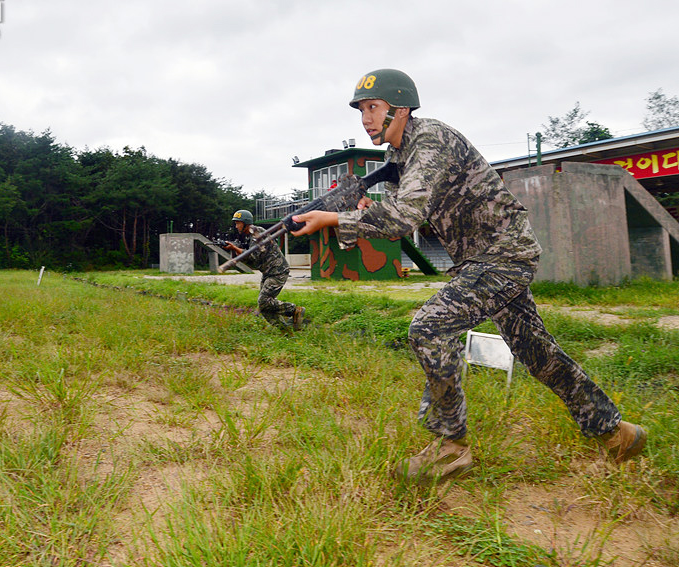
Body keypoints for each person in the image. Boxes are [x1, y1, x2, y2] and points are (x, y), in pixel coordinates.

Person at [291, 68, 646, 485]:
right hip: (486, 259)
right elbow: (403, 209)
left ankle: (451, 446)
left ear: (401, 109)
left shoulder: (430, 141)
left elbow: (405, 216)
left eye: (374, 108)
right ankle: (616, 433)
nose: (366, 119)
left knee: (429, 328)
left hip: (501, 256)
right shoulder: (400, 158)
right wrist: (359, 210)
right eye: (361, 110)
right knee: (538, 353)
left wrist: (333, 218)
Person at [222, 209, 306, 331]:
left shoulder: (257, 232)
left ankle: (295, 310)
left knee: (264, 301)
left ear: (245, 222)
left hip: (278, 270)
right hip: (268, 272)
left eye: (238, 223)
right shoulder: (250, 237)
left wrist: (235, 248)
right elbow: (252, 261)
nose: (236, 226)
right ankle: (285, 331)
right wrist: (235, 249)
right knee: (264, 307)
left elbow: (254, 255)